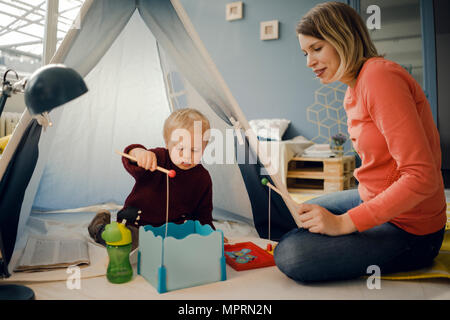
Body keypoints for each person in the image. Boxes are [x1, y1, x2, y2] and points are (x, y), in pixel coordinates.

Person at [273, 2, 447, 283]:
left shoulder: (380, 77)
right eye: (305, 53)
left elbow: (421, 175)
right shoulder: (353, 89)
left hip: (412, 228)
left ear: (343, 37)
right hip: (372, 197)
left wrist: (344, 223)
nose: (309, 62)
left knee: (293, 254)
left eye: (317, 49)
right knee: (294, 214)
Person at [88, 108, 215, 250]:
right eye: (180, 148)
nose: (186, 156)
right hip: (139, 225)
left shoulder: (203, 178)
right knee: (124, 242)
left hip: (175, 230)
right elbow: (133, 162)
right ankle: (98, 227)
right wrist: (138, 153)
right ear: (168, 144)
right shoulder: (158, 158)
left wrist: (209, 234)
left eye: (194, 150)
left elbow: (203, 214)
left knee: (187, 245)